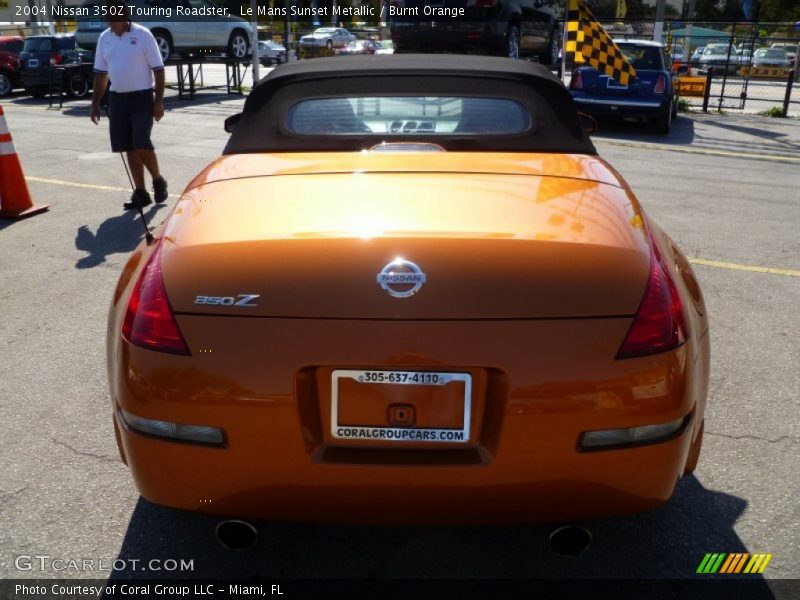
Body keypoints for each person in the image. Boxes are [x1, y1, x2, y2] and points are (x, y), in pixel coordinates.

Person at [90, 0, 168, 210]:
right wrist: (95, 103)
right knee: (128, 146)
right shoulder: (104, 38)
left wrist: (159, 101)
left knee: (141, 142)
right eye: (108, 16)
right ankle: (140, 192)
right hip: (118, 99)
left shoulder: (143, 35)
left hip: (142, 97)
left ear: (125, 15)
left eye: (114, 16)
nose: (110, 21)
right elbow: (100, 74)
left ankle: (158, 180)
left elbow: (159, 70)